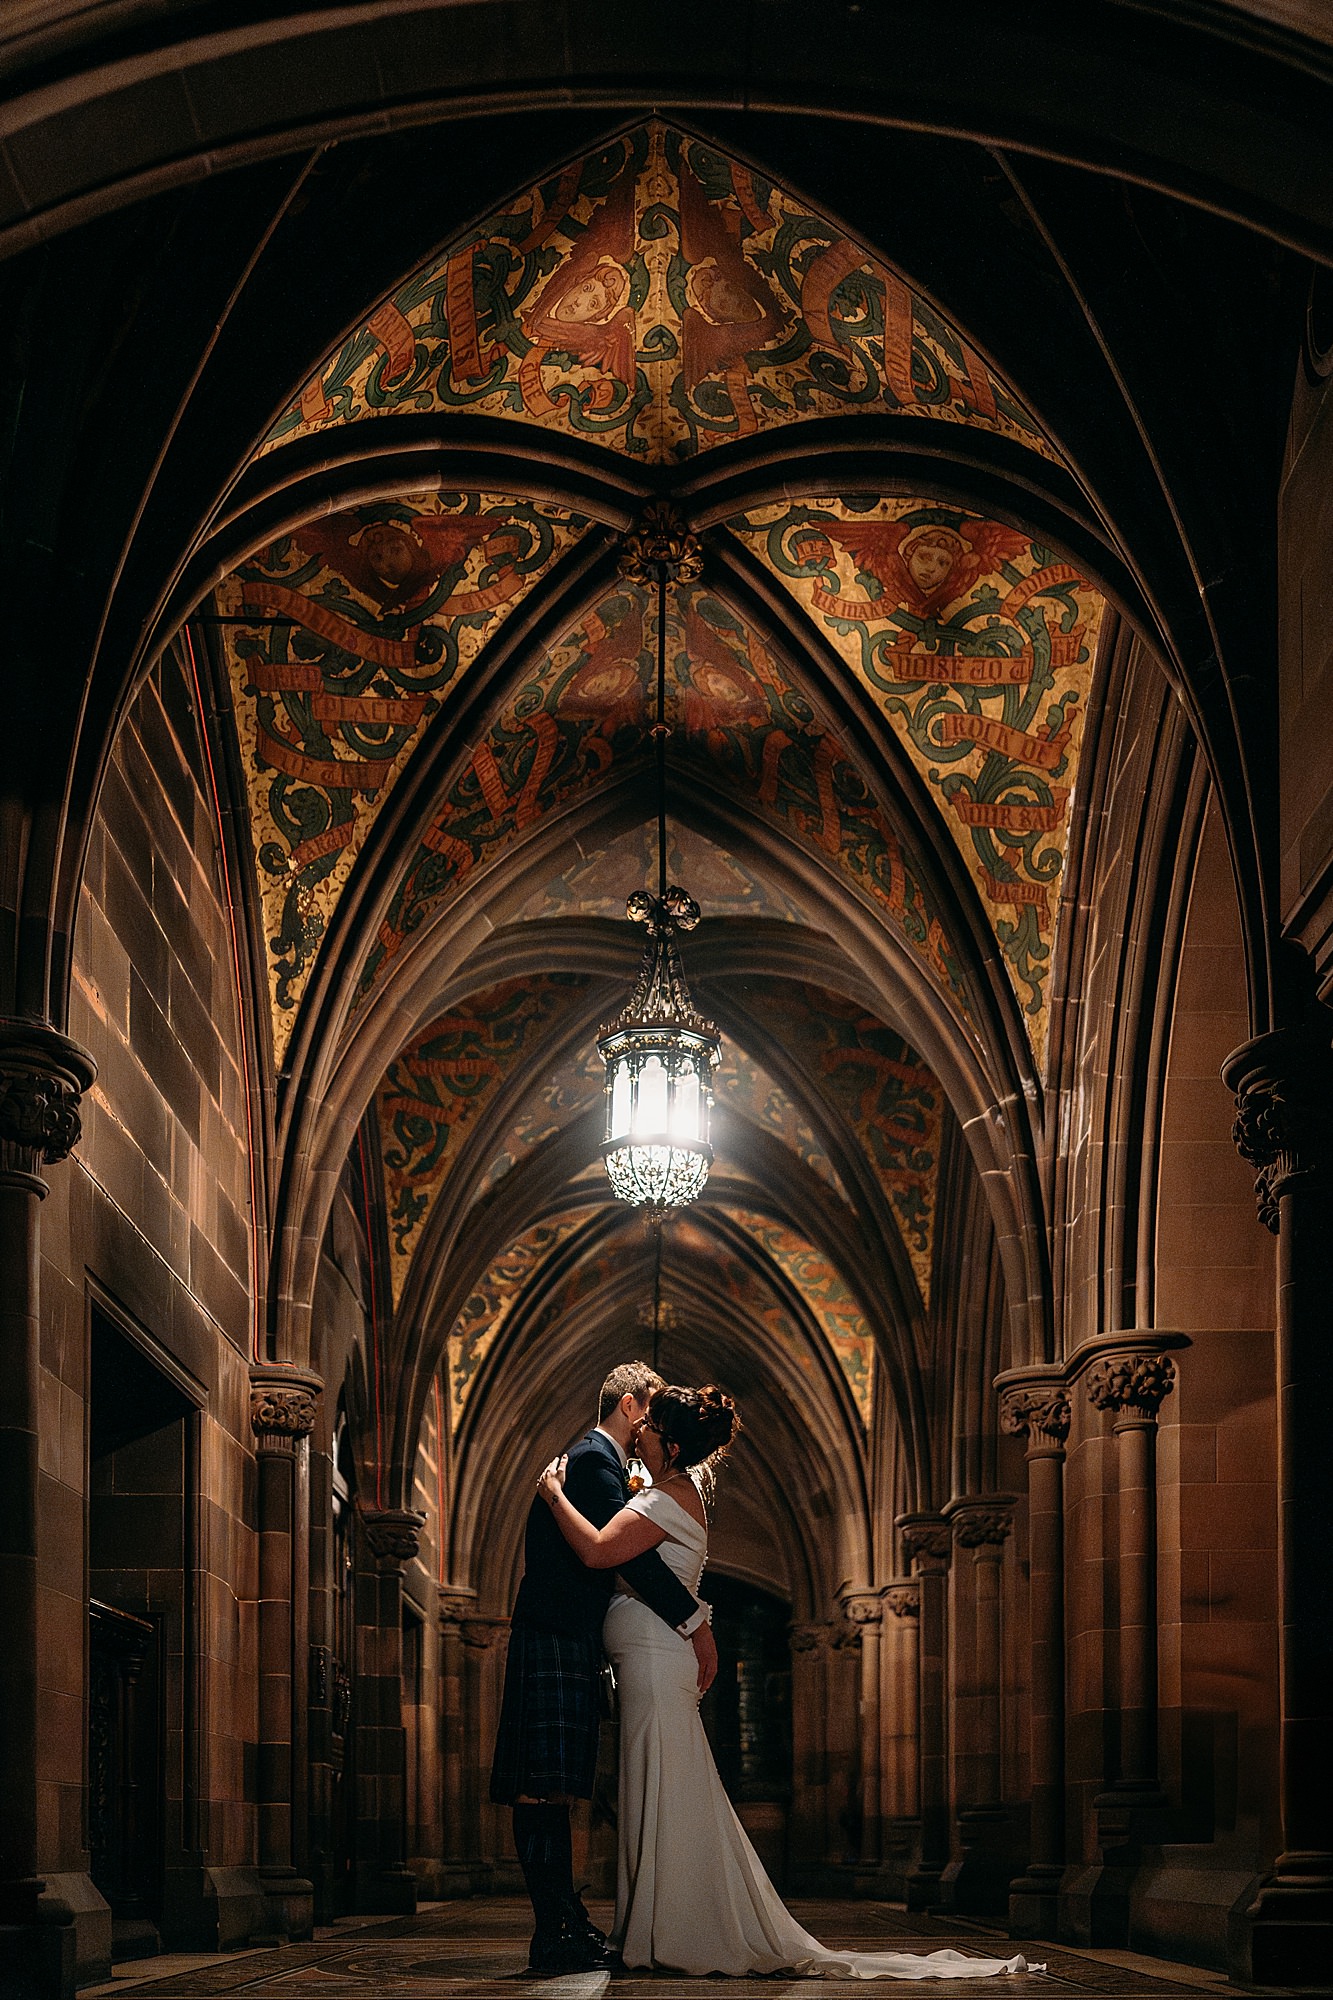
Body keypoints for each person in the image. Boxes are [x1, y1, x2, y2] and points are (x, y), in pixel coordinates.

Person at [538, 1383, 1039, 1980]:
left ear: (668, 1444)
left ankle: (671, 1929)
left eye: (647, 1430)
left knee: (662, 1786)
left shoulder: (662, 1502)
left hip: (654, 1659)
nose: (637, 1433)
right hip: (653, 1660)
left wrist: (552, 1495)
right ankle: (652, 1924)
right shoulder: (674, 1492)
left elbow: (597, 1552)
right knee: (660, 1786)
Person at [490, 1361, 719, 1975]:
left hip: (568, 1637)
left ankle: (564, 1922)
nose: (650, 1422)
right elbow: (629, 1565)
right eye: (648, 1408)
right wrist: (698, 1626)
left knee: (553, 1788)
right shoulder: (594, 1459)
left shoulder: (610, 1466)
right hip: (558, 1634)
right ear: (630, 1407)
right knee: (544, 1787)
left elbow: (628, 1557)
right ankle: (556, 1929)